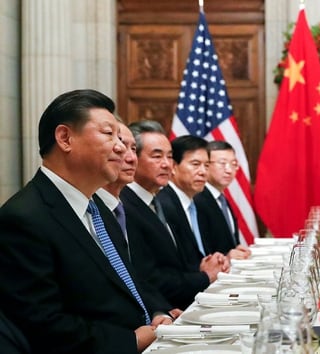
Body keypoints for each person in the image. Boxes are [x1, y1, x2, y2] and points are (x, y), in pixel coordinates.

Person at [0, 89, 170, 352]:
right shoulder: (24, 218)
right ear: (65, 138)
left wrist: (158, 314)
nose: (122, 147)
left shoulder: (98, 206)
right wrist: (131, 341)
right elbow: (43, 324)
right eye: (108, 134)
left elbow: (127, 282)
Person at [122, 121, 224, 310]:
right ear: (132, 158)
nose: (166, 164)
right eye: (157, 156)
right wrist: (204, 277)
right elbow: (148, 278)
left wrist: (205, 267)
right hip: (162, 311)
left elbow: (177, 263)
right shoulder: (124, 206)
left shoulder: (160, 201)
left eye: (169, 157)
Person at [96, 122, 182, 318]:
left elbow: (135, 276)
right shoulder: (101, 208)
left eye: (133, 149)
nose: (129, 157)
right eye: (157, 156)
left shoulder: (155, 202)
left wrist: (159, 311)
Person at [156, 135, 229, 277]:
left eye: (206, 166)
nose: (203, 172)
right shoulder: (163, 204)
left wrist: (217, 260)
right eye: (195, 164)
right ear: (174, 167)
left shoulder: (197, 203)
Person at [194, 140, 251, 259]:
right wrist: (226, 256)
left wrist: (236, 249)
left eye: (233, 163)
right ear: (206, 165)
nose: (229, 170)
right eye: (222, 163)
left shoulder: (221, 198)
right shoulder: (197, 199)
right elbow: (201, 249)